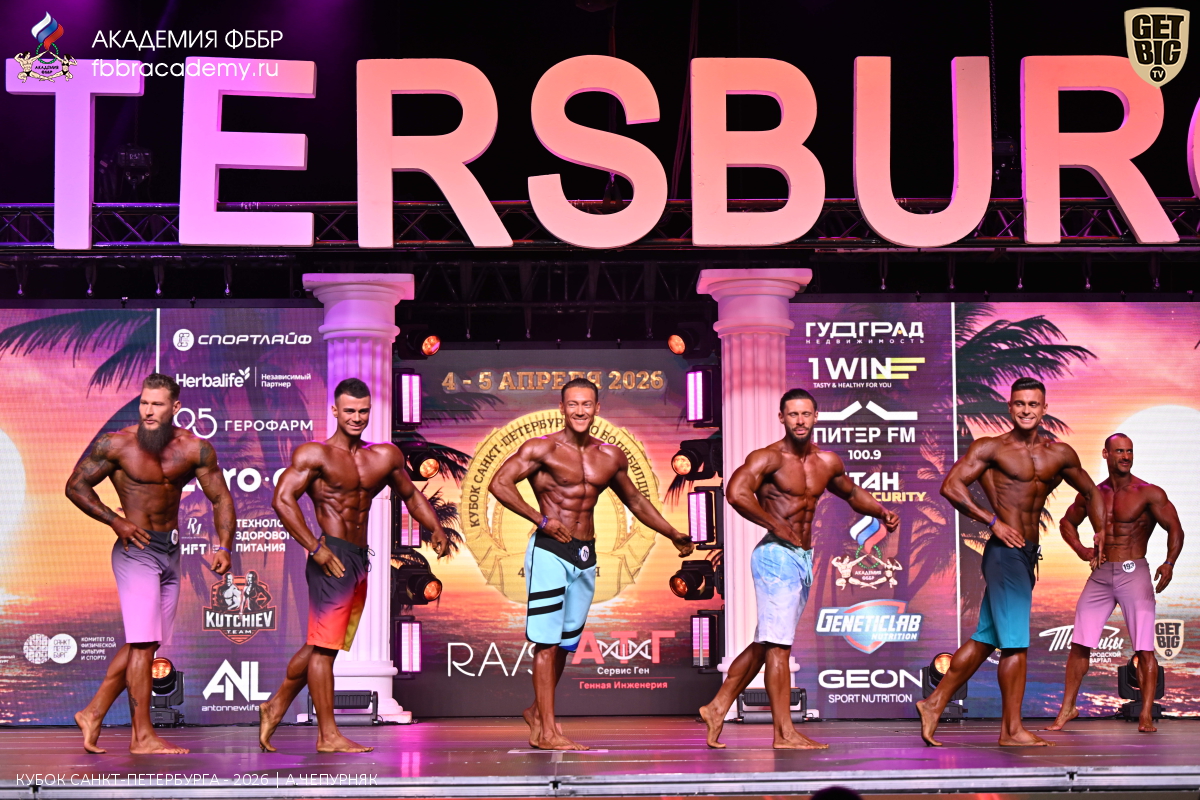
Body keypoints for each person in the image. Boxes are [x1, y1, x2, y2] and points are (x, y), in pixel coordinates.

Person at [489, 378, 695, 751]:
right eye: (573, 404)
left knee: (566, 644)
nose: (580, 411)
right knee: (546, 643)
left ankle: (536, 712)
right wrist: (542, 520)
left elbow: (635, 500)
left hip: (586, 554)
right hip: (550, 551)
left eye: (586, 404)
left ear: (597, 408)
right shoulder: (542, 448)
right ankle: (548, 733)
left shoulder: (610, 455)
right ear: (562, 408)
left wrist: (671, 532)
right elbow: (499, 484)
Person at [257, 378, 450, 754]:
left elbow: (411, 494)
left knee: (322, 644)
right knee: (324, 649)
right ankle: (327, 735)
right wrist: (315, 547)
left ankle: (275, 705)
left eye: (363, 411)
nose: (357, 417)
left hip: (359, 559)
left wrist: (436, 528)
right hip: (331, 556)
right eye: (349, 411)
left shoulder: (384, 456)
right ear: (335, 411)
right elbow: (282, 499)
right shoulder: (316, 455)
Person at [699, 388, 899, 750]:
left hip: (802, 558)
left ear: (816, 416)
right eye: (793, 414)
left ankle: (717, 707)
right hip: (775, 556)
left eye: (806, 413)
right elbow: (736, 492)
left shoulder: (826, 462)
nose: (800, 420)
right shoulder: (768, 458)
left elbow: (852, 493)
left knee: (766, 642)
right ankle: (784, 733)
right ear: (782, 418)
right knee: (779, 647)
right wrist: (774, 524)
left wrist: (881, 511)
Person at [918, 377, 1108, 747]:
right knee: (1015, 646)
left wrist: (1099, 531)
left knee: (985, 639)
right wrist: (992, 521)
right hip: (1004, 554)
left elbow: (1091, 491)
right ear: (1010, 407)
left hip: (1026, 555)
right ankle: (1011, 731)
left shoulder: (1059, 454)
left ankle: (934, 703)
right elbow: (951, 485)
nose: (1025, 410)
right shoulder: (991, 448)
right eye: (1019, 403)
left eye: (1033, 404)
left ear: (1044, 409)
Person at [66, 373, 235, 755]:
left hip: (170, 552)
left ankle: (93, 712)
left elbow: (221, 498)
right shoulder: (117, 444)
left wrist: (224, 545)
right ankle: (141, 737)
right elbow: (75, 485)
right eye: (144, 402)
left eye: (157, 404)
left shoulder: (194, 449)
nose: (148, 410)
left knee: (148, 641)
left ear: (175, 407)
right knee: (143, 646)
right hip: (135, 551)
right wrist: (116, 521)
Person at [1046, 433, 1184, 732]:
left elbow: (1175, 527)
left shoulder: (1148, 492)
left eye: (1129, 451)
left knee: (1144, 648)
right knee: (1080, 643)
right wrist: (1081, 550)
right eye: (1119, 451)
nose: (1125, 456)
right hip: (1101, 574)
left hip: (1134, 572)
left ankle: (1145, 714)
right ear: (1106, 454)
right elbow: (1067, 522)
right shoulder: (1092, 494)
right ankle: (1068, 708)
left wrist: (1169, 562)